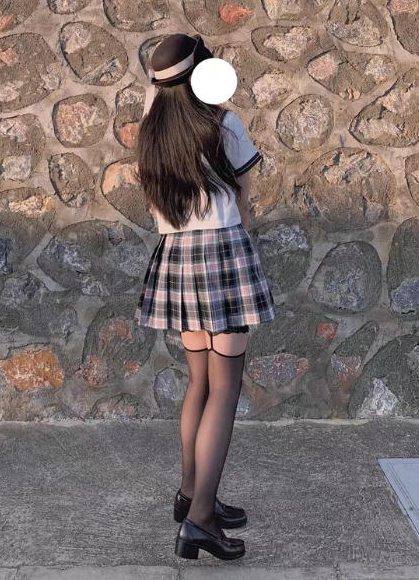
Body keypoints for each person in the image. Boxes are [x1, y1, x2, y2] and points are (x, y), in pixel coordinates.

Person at [134, 32, 276, 562]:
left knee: (199, 382)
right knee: (226, 387)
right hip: (221, 254)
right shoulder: (223, 124)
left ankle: (192, 493)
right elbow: (243, 200)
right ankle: (199, 521)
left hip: (177, 257)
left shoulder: (151, 134)